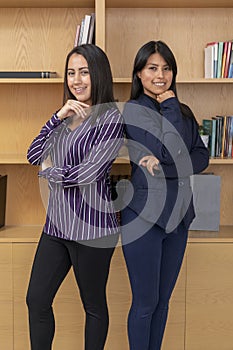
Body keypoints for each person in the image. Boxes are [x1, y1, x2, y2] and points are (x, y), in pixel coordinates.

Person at [26, 44, 124, 350]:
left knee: (93, 305)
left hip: (92, 231)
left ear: (98, 75)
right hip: (56, 228)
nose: (76, 80)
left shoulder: (110, 121)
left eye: (84, 72)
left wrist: (49, 172)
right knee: (37, 300)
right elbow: (33, 155)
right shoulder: (66, 117)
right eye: (71, 72)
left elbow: (87, 175)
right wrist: (57, 116)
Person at [121, 40, 209, 350]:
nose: (161, 75)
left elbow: (201, 156)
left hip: (178, 217)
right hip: (144, 218)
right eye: (153, 68)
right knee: (145, 303)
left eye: (167, 68)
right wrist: (173, 159)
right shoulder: (134, 110)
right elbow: (167, 150)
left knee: (163, 302)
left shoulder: (182, 111)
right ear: (139, 74)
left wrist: (168, 165)